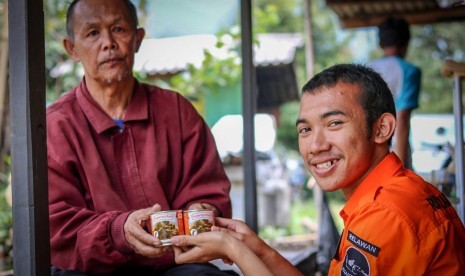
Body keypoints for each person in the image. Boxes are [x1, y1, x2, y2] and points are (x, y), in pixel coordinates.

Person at [169, 64, 465, 275]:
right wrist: (254, 248)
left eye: (334, 123)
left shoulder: (386, 214)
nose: (315, 145)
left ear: (382, 128)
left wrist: (234, 251)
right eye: (305, 129)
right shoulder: (396, 191)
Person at [46, 0, 233, 274]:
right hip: (91, 270)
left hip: (173, 265)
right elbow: (56, 224)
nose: (108, 43)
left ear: (138, 38)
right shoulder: (55, 126)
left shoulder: (177, 112)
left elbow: (208, 189)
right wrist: (118, 232)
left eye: (118, 28)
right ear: (71, 48)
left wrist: (203, 209)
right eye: (93, 33)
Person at [369, 17, 421, 170]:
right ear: (407, 42)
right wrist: (401, 165)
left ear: (380, 43)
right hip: (394, 152)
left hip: (368, 153)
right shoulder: (409, 71)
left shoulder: (365, 71)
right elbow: (403, 117)